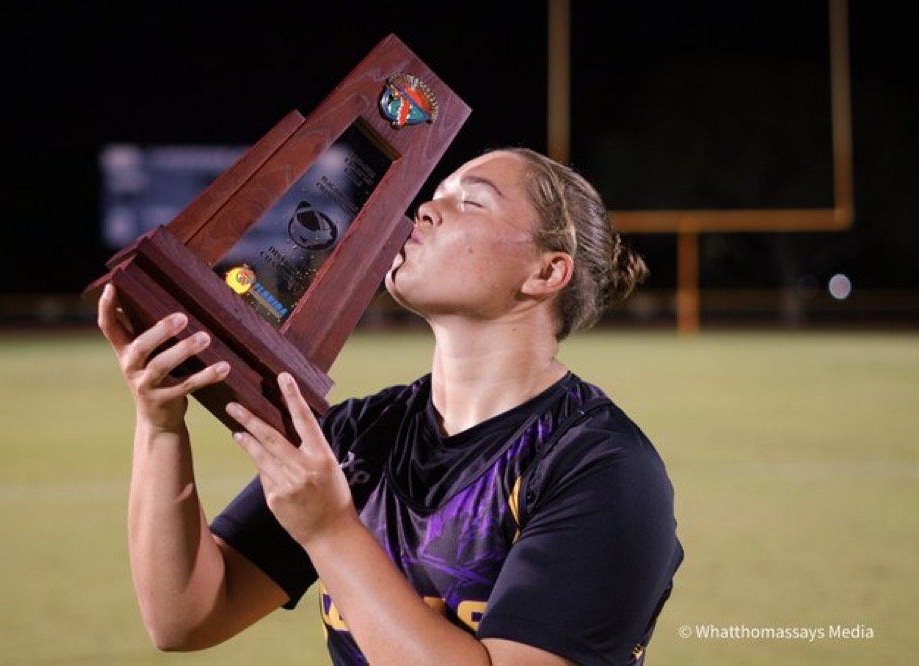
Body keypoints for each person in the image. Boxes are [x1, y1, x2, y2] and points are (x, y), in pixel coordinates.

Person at [97, 147, 683, 665]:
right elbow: (188, 616)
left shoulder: (599, 465)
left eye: (471, 202)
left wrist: (330, 531)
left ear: (546, 272)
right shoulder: (361, 435)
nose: (424, 210)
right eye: (433, 196)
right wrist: (161, 424)